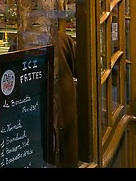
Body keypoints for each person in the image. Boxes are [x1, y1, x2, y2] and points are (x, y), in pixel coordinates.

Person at [53, 31, 78, 168]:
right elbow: (77, 68)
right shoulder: (63, 38)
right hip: (64, 98)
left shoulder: (21, 40)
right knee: (66, 148)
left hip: (33, 101)